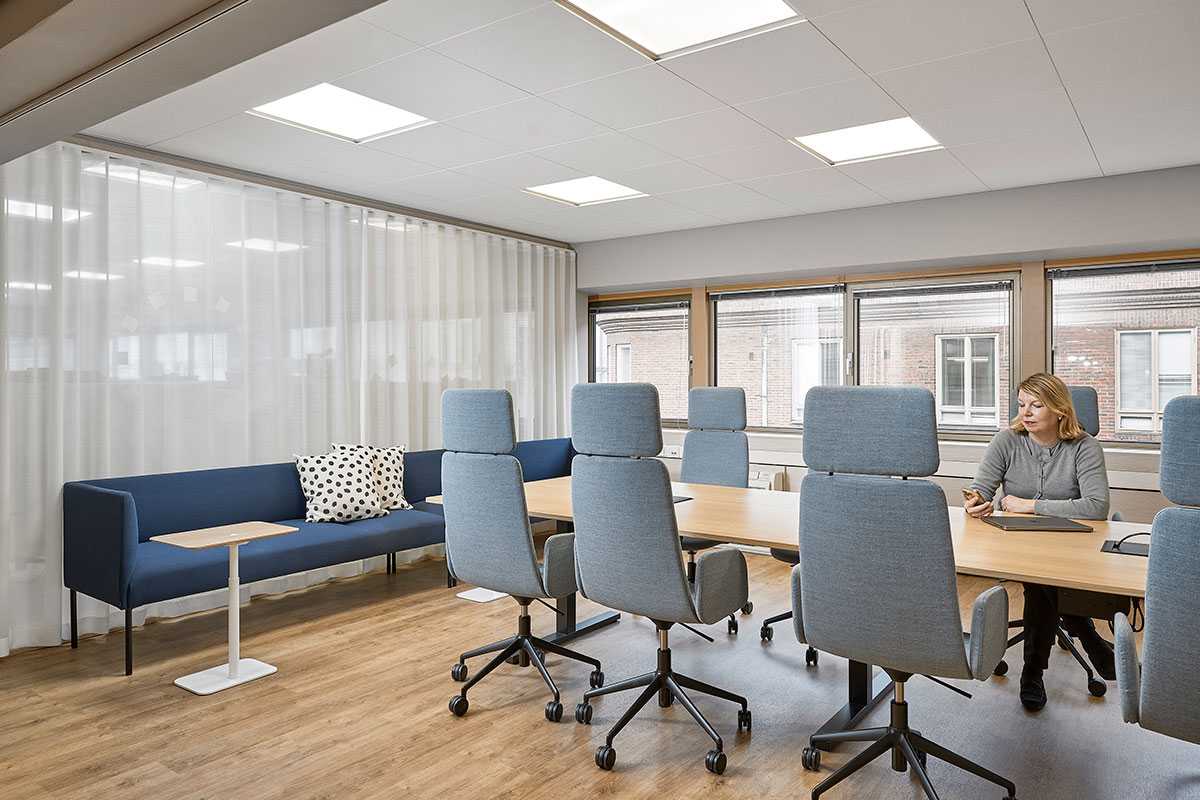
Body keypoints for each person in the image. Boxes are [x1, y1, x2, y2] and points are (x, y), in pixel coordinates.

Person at [964, 372, 1111, 712]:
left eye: (1036, 405)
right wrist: (977, 501)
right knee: (1040, 580)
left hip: (1069, 546)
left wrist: (1030, 505)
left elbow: (1097, 506)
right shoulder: (1007, 441)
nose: (1025, 413)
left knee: (1042, 584)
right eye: (1021, 405)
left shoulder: (1085, 447)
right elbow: (981, 488)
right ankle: (1087, 637)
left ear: (1060, 409)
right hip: (1016, 544)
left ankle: (1032, 672)